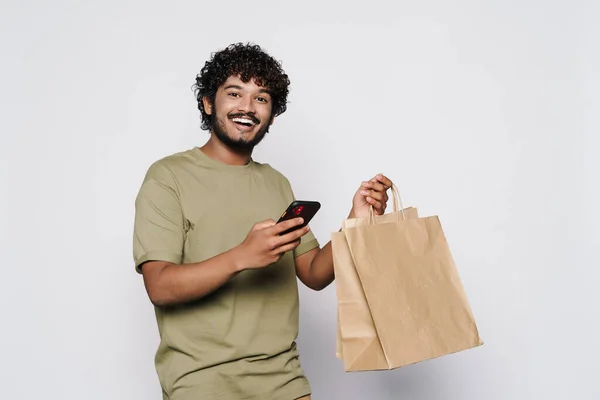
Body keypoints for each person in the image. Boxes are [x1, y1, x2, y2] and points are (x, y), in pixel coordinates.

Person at [132, 42, 392, 400]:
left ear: (271, 113)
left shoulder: (276, 182)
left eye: (261, 98)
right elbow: (159, 287)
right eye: (235, 93)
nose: (247, 107)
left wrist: (356, 221)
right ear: (209, 103)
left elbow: (314, 273)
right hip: (201, 384)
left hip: (283, 380)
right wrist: (243, 256)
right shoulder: (167, 177)